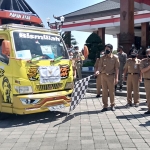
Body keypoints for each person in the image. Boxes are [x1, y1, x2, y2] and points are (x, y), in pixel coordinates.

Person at [96, 44, 120, 112]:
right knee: (104, 92)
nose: (106, 50)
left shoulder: (115, 57)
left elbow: (116, 68)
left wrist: (116, 78)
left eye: (108, 49)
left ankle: (112, 105)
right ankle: (105, 106)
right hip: (103, 76)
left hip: (111, 76)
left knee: (111, 92)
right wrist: (98, 71)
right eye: (106, 48)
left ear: (111, 49)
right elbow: (100, 66)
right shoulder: (102, 57)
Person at [140, 49, 150, 114]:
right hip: (147, 80)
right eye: (149, 53)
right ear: (146, 54)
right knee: (149, 95)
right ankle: (149, 109)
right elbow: (142, 70)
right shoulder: (143, 61)